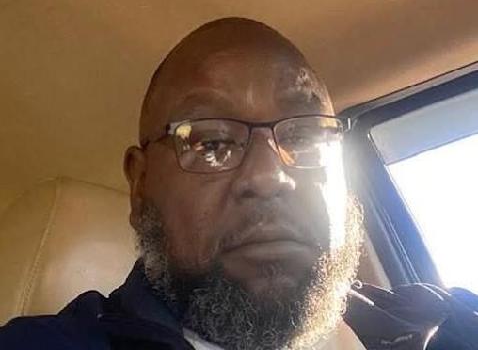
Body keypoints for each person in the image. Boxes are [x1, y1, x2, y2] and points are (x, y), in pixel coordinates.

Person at [0, 18, 476, 350]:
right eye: (210, 142)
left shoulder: (434, 320)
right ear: (140, 184)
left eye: (304, 136)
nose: (270, 176)